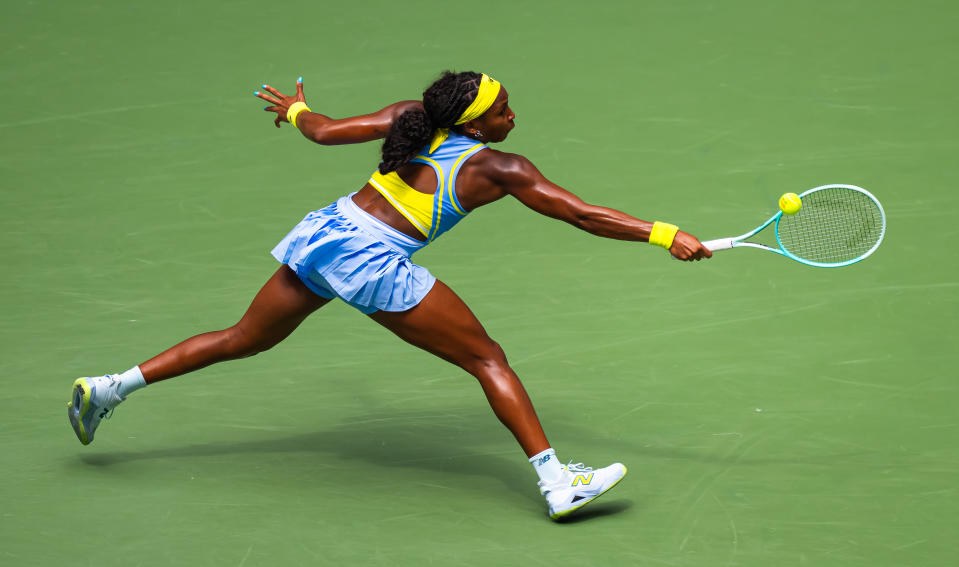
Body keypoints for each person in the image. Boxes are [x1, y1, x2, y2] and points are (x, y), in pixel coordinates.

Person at [67, 71, 712, 520]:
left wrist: (295, 110)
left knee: (242, 338)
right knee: (487, 359)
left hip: (326, 233)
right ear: (474, 120)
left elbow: (321, 131)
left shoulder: (411, 117)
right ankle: (556, 481)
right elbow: (583, 215)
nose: (513, 116)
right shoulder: (500, 168)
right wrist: (664, 234)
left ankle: (109, 387)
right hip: (371, 257)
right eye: (502, 110)